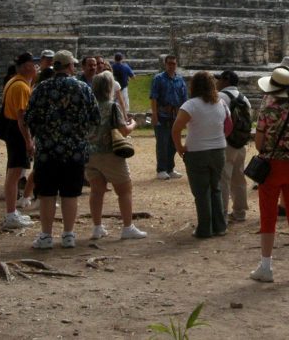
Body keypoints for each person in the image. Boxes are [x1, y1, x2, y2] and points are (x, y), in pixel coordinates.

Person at [24, 50, 99, 249]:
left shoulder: (41, 89)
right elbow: (95, 118)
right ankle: (68, 235)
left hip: (47, 151)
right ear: (70, 66)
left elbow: (29, 118)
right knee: (70, 194)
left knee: (47, 194)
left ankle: (46, 236)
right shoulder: (82, 88)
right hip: (74, 150)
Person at [250, 67, 289, 283]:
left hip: (272, 165)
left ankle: (266, 266)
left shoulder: (268, 112)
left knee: (268, 216)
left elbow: (259, 143)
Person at [87, 71, 147, 240]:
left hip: (90, 153)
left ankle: (97, 227)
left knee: (96, 191)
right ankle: (128, 226)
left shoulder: (88, 106)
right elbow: (123, 130)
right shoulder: (112, 106)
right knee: (124, 190)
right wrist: (133, 124)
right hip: (109, 153)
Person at [172, 71, 229, 238]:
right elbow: (226, 123)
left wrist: (179, 147)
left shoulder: (190, 105)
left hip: (197, 151)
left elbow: (176, 129)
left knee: (201, 192)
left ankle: (205, 228)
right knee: (215, 188)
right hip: (218, 149)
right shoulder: (221, 103)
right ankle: (220, 226)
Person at [1, 52, 37, 231]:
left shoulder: (13, 81)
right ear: (26, 66)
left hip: (12, 129)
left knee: (13, 173)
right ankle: (10, 214)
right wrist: (28, 140)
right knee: (14, 174)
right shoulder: (21, 87)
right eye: (33, 64)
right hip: (17, 131)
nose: (36, 68)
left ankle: (12, 211)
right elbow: (21, 117)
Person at [216, 70, 249, 223]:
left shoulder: (220, 97)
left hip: (226, 142)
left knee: (224, 178)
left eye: (220, 79)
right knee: (239, 178)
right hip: (241, 142)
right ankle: (240, 212)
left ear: (226, 80)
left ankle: (222, 213)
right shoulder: (245, 99)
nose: (217, 82)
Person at [149, 54, 187, 180]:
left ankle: (170, 168)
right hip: (162, 114)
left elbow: (184, 99)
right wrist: (154, 115)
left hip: (175, 115)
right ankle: (161, 169)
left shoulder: (180, 80)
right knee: (162, 143)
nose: (171, 66)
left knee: (173, 143)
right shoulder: (158, 79)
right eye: (169, 63)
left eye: (174, 63)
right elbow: (153, 97)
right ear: (165, 64)